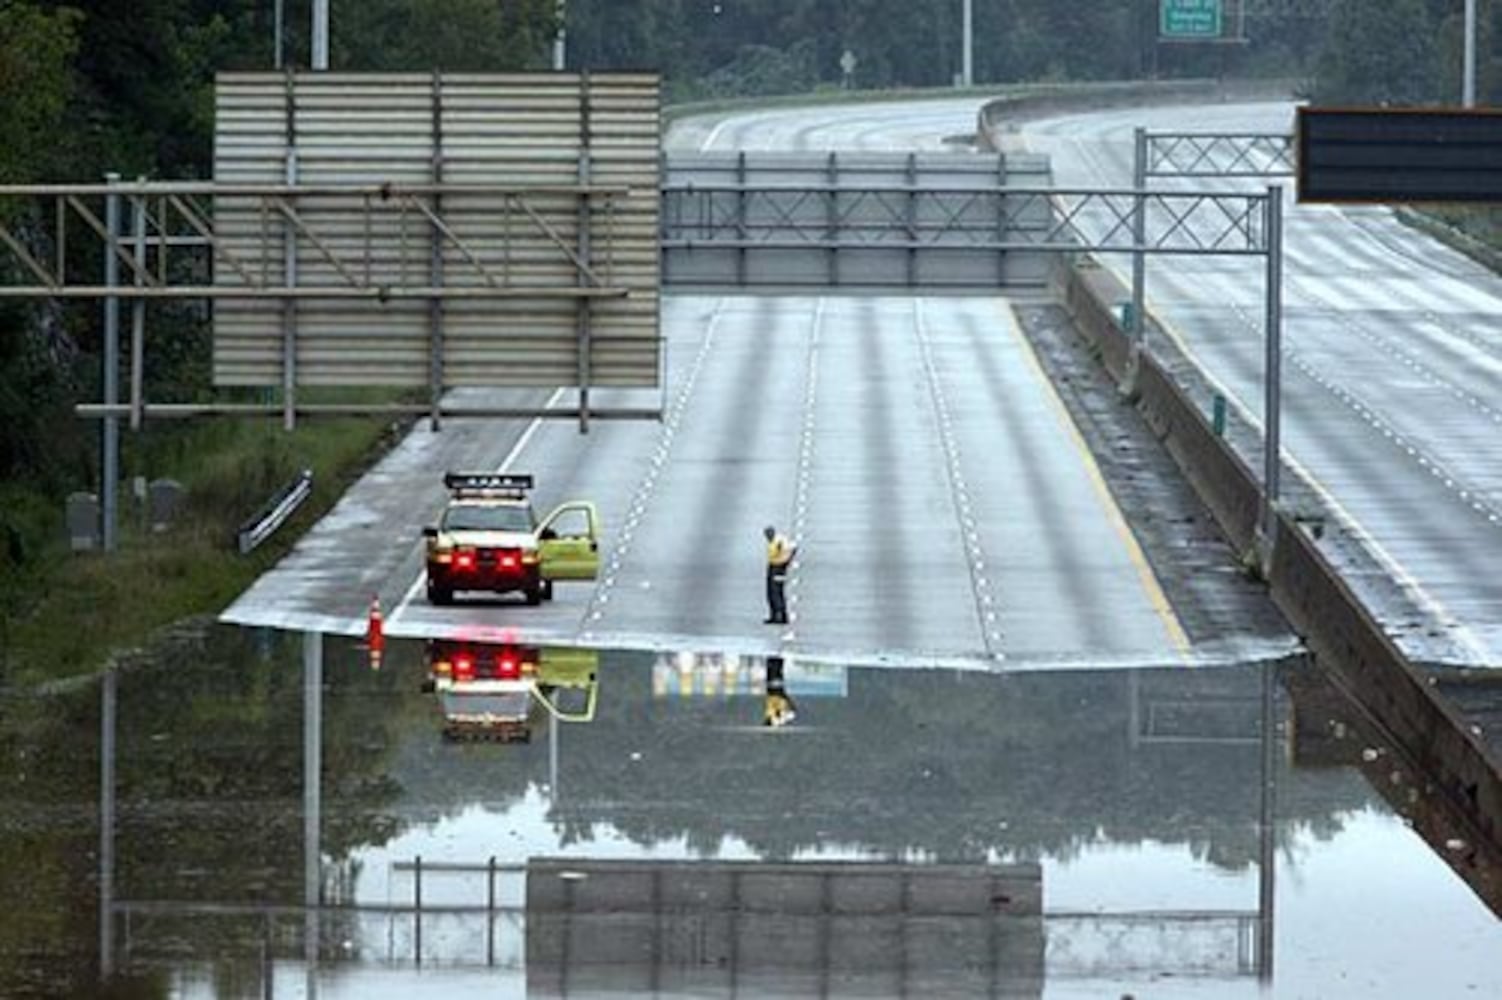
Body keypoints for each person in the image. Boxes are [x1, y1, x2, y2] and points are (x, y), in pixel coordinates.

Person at [763, 525, 796, 624]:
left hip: (779, 568)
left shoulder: (780, 541)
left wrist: (786, 562)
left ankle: (781, 616)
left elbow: (793, 548)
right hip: (772, 566)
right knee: (770, 593)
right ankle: (774, 615)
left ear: (772, 533)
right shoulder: (773, 541)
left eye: (768, 534)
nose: (767, 537)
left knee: (776, 592)